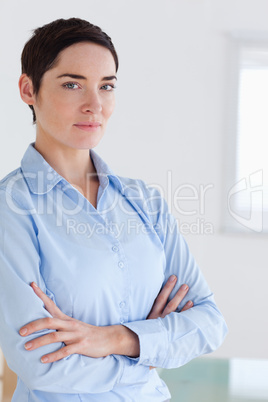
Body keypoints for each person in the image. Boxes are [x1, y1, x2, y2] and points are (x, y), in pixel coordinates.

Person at [0, 18, 227, 401]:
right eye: (72, 84)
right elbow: (42, 365)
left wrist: (115, 339)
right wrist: (150, 349)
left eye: (106, 86)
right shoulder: (13, 208)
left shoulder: (145, 202)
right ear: (28, 90)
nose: (95, 105)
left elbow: (208, 322)